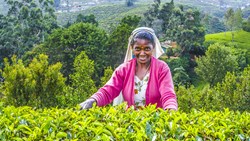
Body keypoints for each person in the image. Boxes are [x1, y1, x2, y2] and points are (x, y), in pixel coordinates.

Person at [80, 27, 178, 110]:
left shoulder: (161, 68)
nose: (142, 53)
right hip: (131, 124)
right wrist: (93, 100)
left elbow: (168, 94)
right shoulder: (124, 70)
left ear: (153, 48)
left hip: (156, 124)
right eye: (138, 49)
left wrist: (171, 111)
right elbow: (108, 90)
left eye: (147, 48)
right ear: (132, 48)